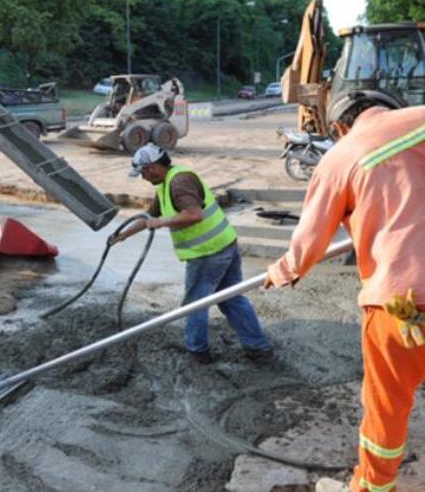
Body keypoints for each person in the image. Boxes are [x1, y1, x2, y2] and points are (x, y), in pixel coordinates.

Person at [264, 99, 424, 492]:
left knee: (387, 406)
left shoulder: (341, 156)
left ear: (339, 128)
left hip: (400, 304)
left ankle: (372, 486)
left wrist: (283, 271)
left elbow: (310, 238)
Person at [110, 143, 273, 364]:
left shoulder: (179, 182)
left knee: (195, 303)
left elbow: (194, 214)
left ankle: (197, 350)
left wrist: (161, 222)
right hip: (223, 244)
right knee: (231, 299)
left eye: (143, 172)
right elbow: (148, 216)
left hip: (208, 253)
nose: (143, 178)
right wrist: (123, 234)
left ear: (153, 167)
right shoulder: (166, 184)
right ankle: (258, 347)